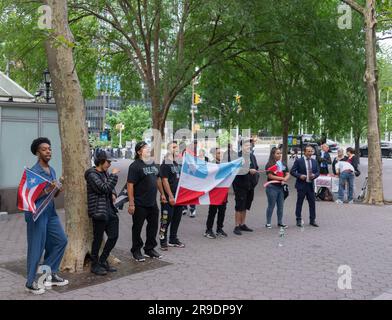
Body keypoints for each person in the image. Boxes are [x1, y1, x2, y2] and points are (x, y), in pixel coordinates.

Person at [24, 137, 68, 294]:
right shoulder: (33, 172)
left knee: (61, 241)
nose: (48, 151)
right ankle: (30, 282)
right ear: (37, 152)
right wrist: (50, 189)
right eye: (44, 149)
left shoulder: (52, 170)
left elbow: (53, 195)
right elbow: (31, 196)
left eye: (49, 149)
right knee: (37, 247)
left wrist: (58, 188)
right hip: (37, 214)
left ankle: (48, 273)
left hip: (51, 213)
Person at [127, 141, 166, 262]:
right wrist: (131, 203)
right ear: (139, 152)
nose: (148, 150)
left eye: (148, 148)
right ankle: (136, 250)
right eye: (145, 148)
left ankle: (149, 249)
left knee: (153, 226)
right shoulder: (135, 166)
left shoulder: (153, 163)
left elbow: (158, 179)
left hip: (152, 203)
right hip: (139, 203)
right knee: (137, 228)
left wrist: (163, 194)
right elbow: (130, 185)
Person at [85, 150, 120, 275]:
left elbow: (110, 188)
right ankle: (95, 265)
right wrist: (114, 176)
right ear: (100, 161)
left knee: (113, 236)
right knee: (98, 239)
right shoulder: (91, 174)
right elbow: (103, 188)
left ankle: (103, 260)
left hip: (109, 209)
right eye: (108, 162)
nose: (109, 164)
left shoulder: (105, 173)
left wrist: (114, 194)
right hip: (98, 211)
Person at [159, 141, 185, 250]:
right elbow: (164, 181)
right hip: (169, 197)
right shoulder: (166, 163)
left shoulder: (177, 163)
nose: (176, 149)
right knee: (166, 219)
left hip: (179, 196)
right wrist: (170, 196)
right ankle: (163, 241)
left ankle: (173, 239)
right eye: (173, 147)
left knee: (176, 218)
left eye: (177, 147)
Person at [232, 140, 259, 235]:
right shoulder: (237, 157)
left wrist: (255, 180)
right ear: (242, 146)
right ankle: (236, 226)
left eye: (250, 145)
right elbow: (235, 169)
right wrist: (248, 170)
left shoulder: (252, 156)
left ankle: (242, 224)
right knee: (239, 206)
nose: (249, 147)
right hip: (240, 186)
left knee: (246, 205)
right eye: (246, 145)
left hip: (250, 186)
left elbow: (256, 168)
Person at [290, 145, 320, 227]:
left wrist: (315, 175)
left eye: (311, 151)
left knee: (312, 203)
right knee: (300, 202)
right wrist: (299, 176)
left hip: (310, 185)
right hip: (301, 185)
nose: (310, 153)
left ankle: (312, 220)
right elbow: (292, 171)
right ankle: (298, 219)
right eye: (308, 151)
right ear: (305, 152)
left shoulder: (314, 161)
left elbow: (318, 172)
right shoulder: (299, 161)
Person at [204, 147, 228, 238]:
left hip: (223, 193)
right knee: (212, 212)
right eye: (218, 153)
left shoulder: (224, 164)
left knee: (222, 211)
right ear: (214, 155)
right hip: (214, 193)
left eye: (221, 153)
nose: (220, 155)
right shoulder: (211, 165)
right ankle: (208, 230)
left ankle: (219, 229)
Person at [264, 147, 290, 229]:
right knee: (271, 205)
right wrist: (282, 179)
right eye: (277, 153)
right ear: (273, 154)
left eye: (280, 153)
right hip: (272, 187)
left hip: (281, 188)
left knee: (280, 206)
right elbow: (270, 175)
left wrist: (286, 178)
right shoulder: (269, 164)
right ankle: (268, 223)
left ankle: (280, 222)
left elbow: (287, 173)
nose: (279, 155)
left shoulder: (283, 164)